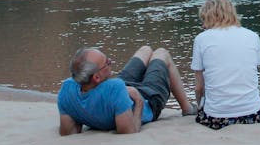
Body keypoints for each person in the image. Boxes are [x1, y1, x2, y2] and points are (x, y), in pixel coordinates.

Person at [57, 45, 195, 136]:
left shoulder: (67, 87)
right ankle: (187, 108)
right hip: (148, 98)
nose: (111, 61)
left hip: (119, 89)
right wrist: (139, 101)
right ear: (97, 77)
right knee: (161, 53)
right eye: (107, 63)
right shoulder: (116, 88)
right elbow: (129, 131)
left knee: (145, 50)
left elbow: (68, 132)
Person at [191, 0, 260, 130]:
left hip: (215, 119)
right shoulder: (253, 36)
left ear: (209, 18)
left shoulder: (201, 39)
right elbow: (251, 73)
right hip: (252, 115)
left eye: (204, 19)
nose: (203, 25)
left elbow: (199, 88)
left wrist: (200, 107)